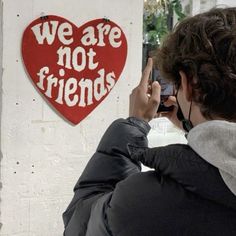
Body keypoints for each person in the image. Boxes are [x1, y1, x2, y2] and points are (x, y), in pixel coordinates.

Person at [63, 7, 236, 236]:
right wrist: (191, 126)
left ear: (188, 84)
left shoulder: (150, 201)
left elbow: (81, 223)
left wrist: (133, 125)